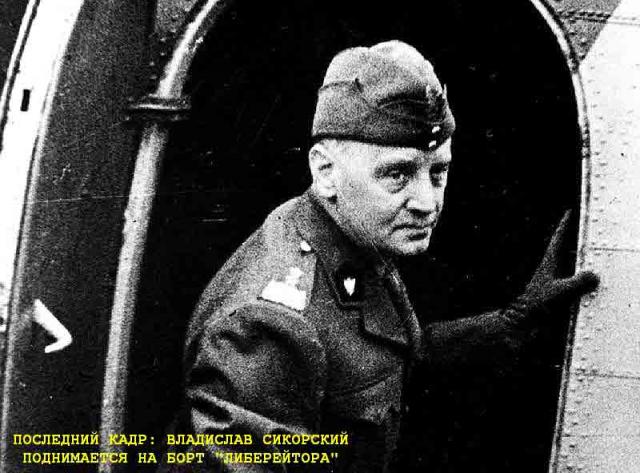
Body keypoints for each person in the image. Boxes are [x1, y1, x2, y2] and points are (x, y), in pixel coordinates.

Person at [167, 40, 599, 472]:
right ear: (325, 171)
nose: (427, 203)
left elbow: (388, 358)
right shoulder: (271, 325)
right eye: (397, 174)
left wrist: (510, 324)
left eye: (438, 172)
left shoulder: (346, 237)